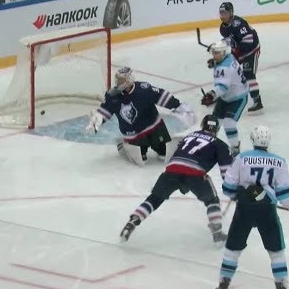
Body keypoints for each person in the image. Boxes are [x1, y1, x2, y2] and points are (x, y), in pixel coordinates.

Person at [216, 125, 289, 289]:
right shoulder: (279, 162)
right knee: (276, 251)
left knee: (233, 249)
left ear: (253, 139)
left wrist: (239, 195)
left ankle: (222, 286)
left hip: (244, 209)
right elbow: (285, 195)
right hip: (266, 209)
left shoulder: (241, 158)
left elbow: (228, 187)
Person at [119, 114, 234, 245]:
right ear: (217, 129)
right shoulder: (220, 145)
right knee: (212, 200)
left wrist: (182, 182)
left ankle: (133, 221)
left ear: (203, 125)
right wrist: (234, 189)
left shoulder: (189, 136)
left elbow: (180, 155)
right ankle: (217, 234)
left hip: (171, 171)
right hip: (195, 174)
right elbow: (227, 174)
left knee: (155, 198)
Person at [86, 67, 196, 165]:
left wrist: (177, 105)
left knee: (165, 153)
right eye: (118, 80)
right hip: (133, 134)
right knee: (140, 161)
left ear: (129, 80)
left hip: (154, 127)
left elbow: (161, 96)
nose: (119, 83)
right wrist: (97, 120)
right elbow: (105, 111)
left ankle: (158, 145)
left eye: (122, 80)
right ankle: (123, 145)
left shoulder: (143, 89)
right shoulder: (112, 96)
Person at [201, 40, 249, 159]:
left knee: (229, 123)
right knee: (213, 123)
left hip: (238, 98)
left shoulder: (224, 68)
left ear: (223, 52)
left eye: (217, 53)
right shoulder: (230, 57)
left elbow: (222, 87)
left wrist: (211, 96)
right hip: (226, 97)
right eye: (214, 52)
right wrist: (214, 63)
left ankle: (235, 148)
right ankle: (209, 146)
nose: (214, 55)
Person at [217, 2, 263, 114]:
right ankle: (225, 95)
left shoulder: (239, 23)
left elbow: (249, 40)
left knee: (248, 75)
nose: (222, 15)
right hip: (240, 51)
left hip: (252, 50)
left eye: (225, 13)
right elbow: (231, 41)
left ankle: (258, 102)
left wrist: (236, 49)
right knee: (228, 70)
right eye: (221, 13)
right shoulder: (223, 28)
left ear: (231, 13)